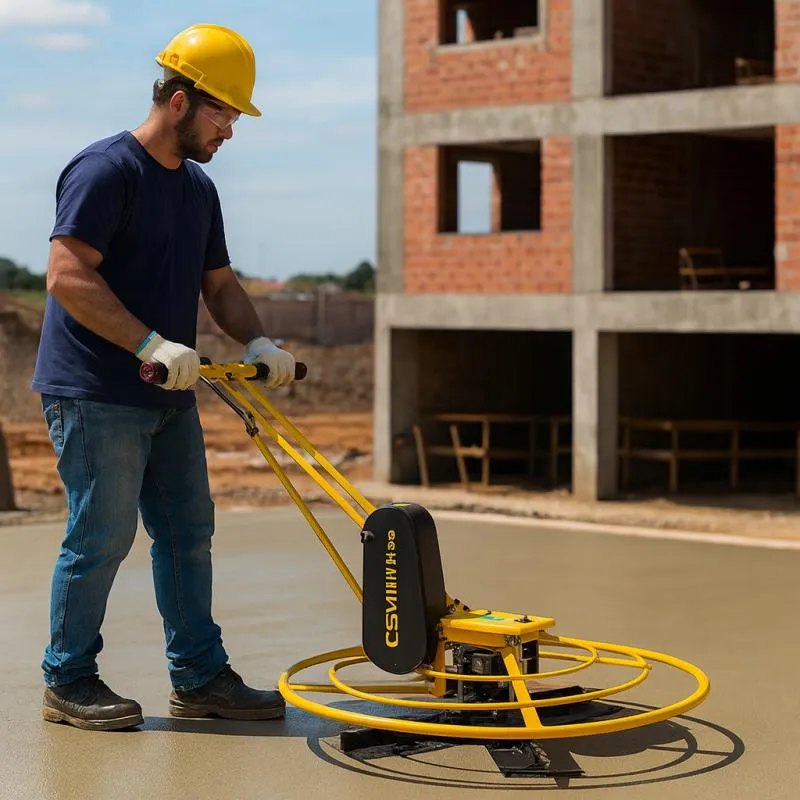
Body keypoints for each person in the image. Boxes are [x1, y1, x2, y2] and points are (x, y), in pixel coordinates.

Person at [31, 23, 297, 731]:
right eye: (223, 114)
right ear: (180, 101)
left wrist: (258, 339)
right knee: (101, 537)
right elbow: (66, 276)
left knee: (187, 532)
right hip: (95, 393)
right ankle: (68, 680)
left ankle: (200, 677)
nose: (230, 131)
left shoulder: (198, 190)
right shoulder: (105, 171)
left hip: (169, 391)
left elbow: (219, 283)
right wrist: (149, 342)